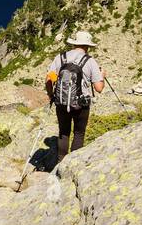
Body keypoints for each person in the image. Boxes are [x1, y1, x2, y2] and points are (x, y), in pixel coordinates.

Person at [45, 30, 105, 162]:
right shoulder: (90, 61)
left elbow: (49, 79)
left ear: (75, 44)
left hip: (61, 102)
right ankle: (73, 163)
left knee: (64, 132)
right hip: (81, 104)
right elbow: (99, 88)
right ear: (87, 46)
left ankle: (60, 162)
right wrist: (102, 76)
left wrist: (51, 96)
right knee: (79, 133)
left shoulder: (60, 58)